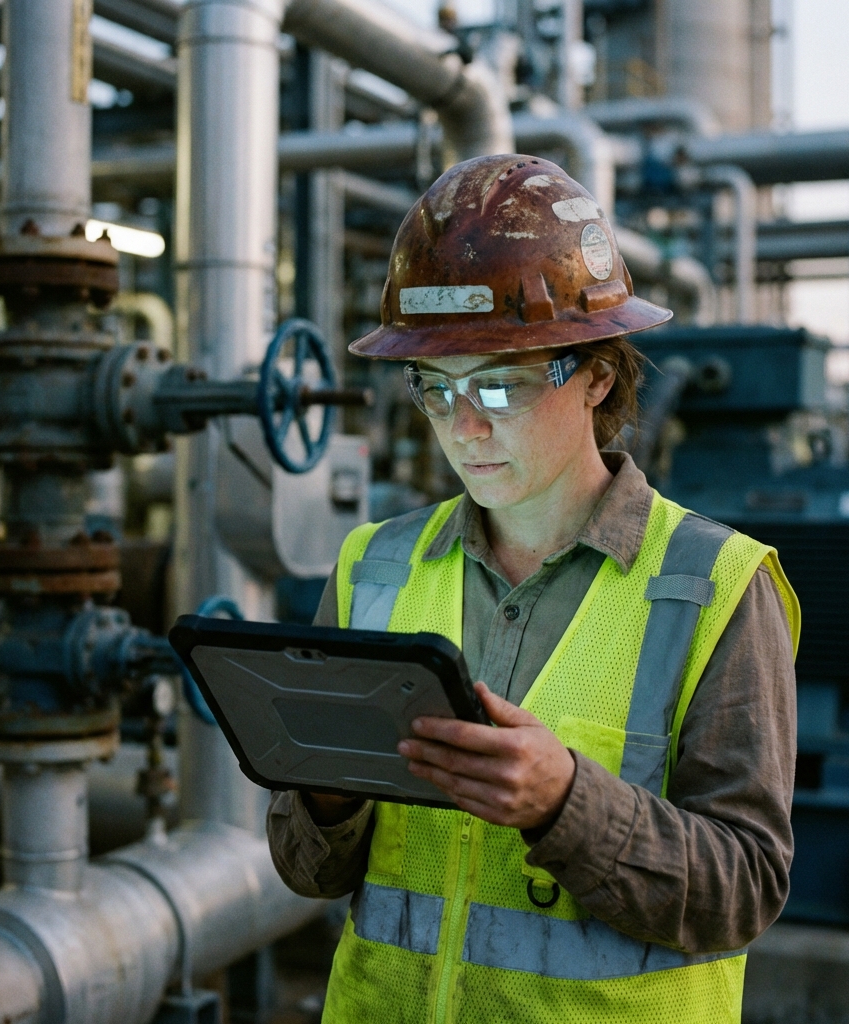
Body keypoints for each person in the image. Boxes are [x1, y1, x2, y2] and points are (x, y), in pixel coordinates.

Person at [268, 154, 799, 1024]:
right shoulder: (373, 567)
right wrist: (329, 796)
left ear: (596, 375)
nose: (464, 427)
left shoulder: (714, 587)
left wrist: (565, 804)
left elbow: (743, 889)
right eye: (434, 389)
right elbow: (305, 868)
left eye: (499, 385)